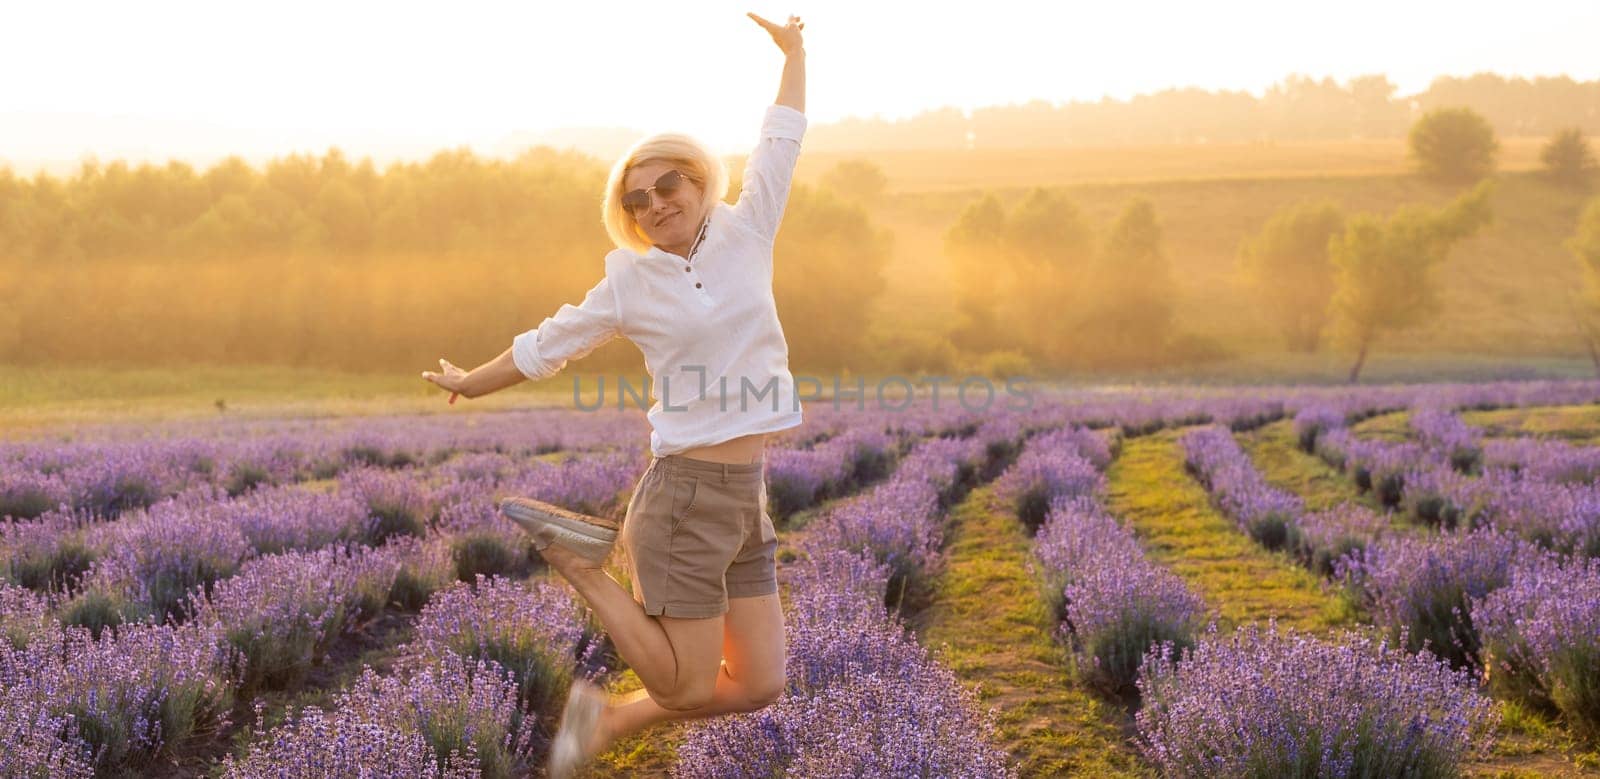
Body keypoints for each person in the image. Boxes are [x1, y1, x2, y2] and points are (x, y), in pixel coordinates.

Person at [420, 12, 807, 778]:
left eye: (667, 185)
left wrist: (796, 52)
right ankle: (580, 564)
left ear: (698, 181)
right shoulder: (630, 281)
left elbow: (784, 134)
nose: (655, 204)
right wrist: (471, 380)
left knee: (760, 681)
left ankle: (605, 720)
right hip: (686, 497)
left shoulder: (748, 229)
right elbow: (546, 344)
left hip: (744, 497)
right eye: (637, 199)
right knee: (690, 682)